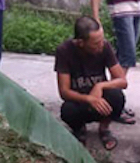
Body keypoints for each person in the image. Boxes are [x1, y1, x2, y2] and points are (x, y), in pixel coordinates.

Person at [55, 16, 128, 150]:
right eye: (96, 43)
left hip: (101, 100)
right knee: (67, 110)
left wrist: (100, 86)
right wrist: (89, 99)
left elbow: (122, 81)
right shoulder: (64, 51)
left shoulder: (105, 46)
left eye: (101, 40)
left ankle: (104, 129)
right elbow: (64, 92)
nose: (101, 45)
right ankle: (80, 129)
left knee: (117, 96)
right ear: (81, 43)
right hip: (80, 101)